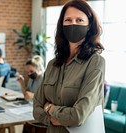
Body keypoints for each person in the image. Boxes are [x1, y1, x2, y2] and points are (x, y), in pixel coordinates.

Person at [33, 1, 105, 133]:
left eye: (79, 20)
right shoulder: (52, 64)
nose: (73, 24)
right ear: (62, 25)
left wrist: (50, 108)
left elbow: (78, 116)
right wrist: (54, 119)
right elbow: (36, 110)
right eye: (68, 20)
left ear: (89, 26)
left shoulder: (95, 62)